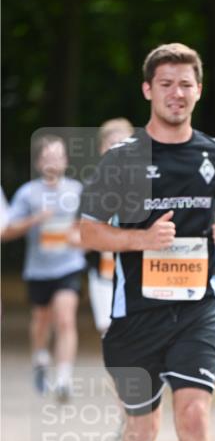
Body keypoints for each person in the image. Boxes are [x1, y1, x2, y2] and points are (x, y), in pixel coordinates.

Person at [80, 42, 215, 441]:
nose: (178, 93)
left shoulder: (214, 152)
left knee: (194, 414)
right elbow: (86, 230)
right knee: (141, 428)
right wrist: (142, 239)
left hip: (198, 309)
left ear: (199, 90)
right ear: (149, 90)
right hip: (135, 318)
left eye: (187, 84)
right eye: (167, 83)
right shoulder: (123, 159)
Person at [3, 135, 85, 401]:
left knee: (65, 318)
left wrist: (79, 237)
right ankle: (40, 358)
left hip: (69, 266)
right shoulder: (28, 193)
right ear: (39, 162)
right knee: (41, 320)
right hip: (38, 270)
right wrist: (34, 220)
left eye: (59, 156)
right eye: (48, 156)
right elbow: (7, 230)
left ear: (66, 160)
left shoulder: (76, 190)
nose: (54, 161)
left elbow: (90, 226)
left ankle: (63, 379)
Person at [85, 118, 134, 335]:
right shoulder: (90, 186)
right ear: (101, 149)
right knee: (109, 331)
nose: (116, 150)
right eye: (111, 144)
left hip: (137, 270)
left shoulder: (149, 183)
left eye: (123, 143)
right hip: (103, 272)